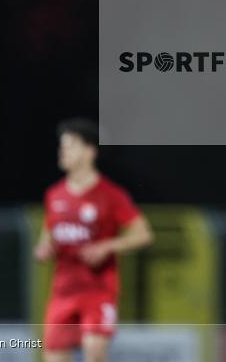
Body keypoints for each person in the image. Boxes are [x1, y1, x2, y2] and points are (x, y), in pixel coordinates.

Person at [35, 118, 154, 362]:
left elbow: (143, 234)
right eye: (61, 146)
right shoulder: (54, 194)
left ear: (90, 151)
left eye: (70, 146)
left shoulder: (111, 195)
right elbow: (48, 235)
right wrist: (43, 247)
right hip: (63, 292)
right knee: (53, 357)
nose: (63, 151)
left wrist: (108, 246)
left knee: (95, 352)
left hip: (98, 291)